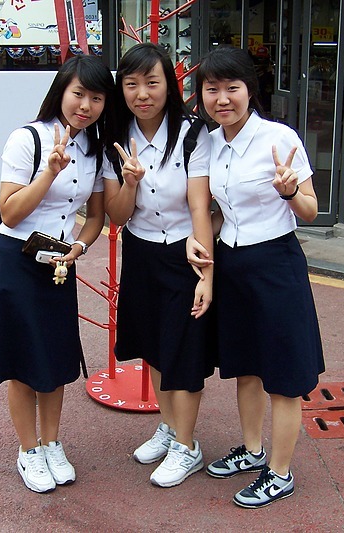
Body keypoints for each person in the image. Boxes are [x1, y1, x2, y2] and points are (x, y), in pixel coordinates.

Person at [190, 45, 325, 509]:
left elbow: (308, 211)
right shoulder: (209, 143)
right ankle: (252, 451)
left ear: (250, 90)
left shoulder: (279, 138)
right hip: (232, 262)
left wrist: (289, 192)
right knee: (244, 366)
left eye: (232, 87)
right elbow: (205, 205)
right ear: (202, 95)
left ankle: (281, 472)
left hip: (276, 264)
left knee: (284, 374)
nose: (222, 98)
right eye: (212, 89)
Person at [0, 55, 113, 493]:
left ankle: (53, 443)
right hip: (16, 259)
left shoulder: (93, 149)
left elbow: (96, 217)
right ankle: (28, 450)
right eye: (79, 93)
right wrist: (48, 172)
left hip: (57, 262)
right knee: (22, 361)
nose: (86, 105)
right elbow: (11, 211)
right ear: (61, 91)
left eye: (96, 97)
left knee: (55, 359)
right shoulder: (27, 139)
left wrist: (80, 247)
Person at [102, 43, 216, 488]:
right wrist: (129, 181)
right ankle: (169, 429)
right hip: (142, 251)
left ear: (170, 85)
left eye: (152, 82)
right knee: (153, 344)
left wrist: (206, 274)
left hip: (185, 254)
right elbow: (117, 215)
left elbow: (200, 206)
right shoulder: (117, 136)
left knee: (184, 352)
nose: (142, 93)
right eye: (131, 84)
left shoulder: (192, 134)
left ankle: (188, 446)